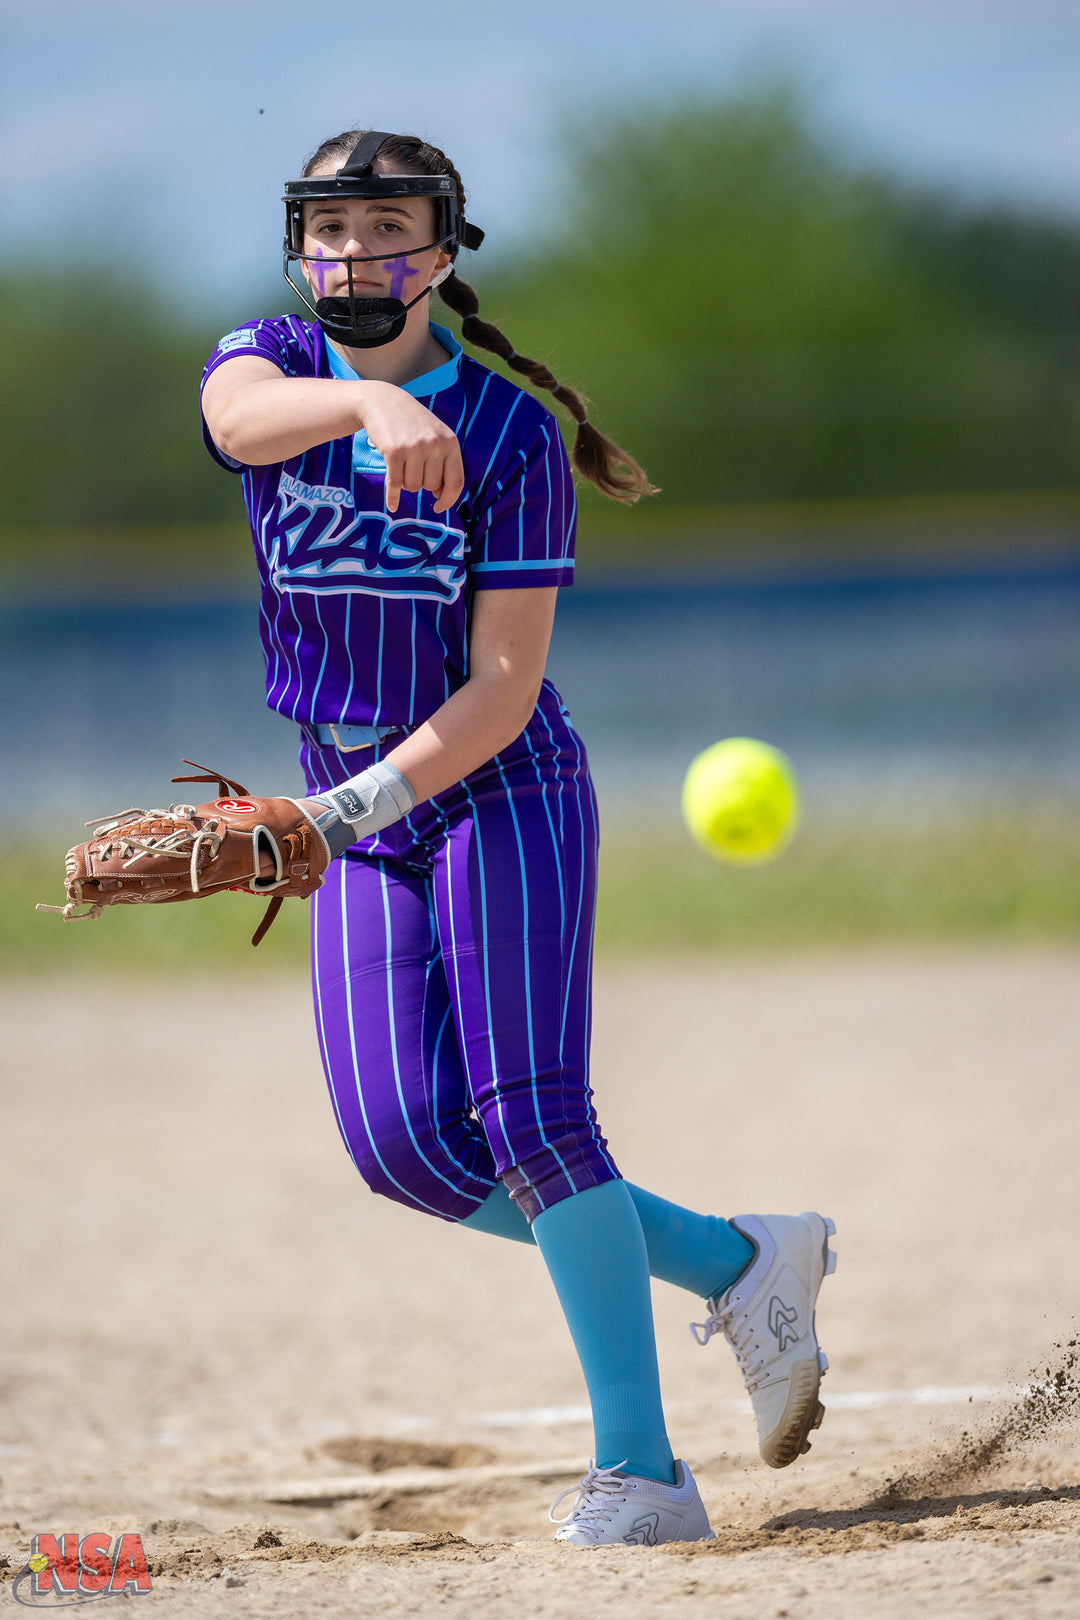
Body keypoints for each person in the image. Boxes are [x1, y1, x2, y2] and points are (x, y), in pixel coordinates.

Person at [199, 128, 836, 1548]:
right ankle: (742, 1261)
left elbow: (499, 691)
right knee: (404, 1147)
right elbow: (244, 422)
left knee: (537, 1121)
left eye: (388, 227)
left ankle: (643, 1476)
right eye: (331, 229)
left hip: (493, 791)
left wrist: (334, 813)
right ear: (300, 246)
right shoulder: (259, 357)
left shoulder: (506, 434)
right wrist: (364, 412)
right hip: (351, 814)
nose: (356, 254)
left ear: (446, 249)